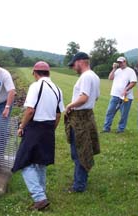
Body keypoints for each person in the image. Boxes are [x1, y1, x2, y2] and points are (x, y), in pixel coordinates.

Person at [12, 61, 64, 210]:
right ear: (48, 73)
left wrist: (22, 126)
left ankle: (39, 197)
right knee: (40, 162)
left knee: (24, 162)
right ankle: (42, 193)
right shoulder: (57, 89)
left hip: (35, 127)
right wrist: (51, 129)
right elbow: (59, 113)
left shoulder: (36, 86)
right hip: (49, 127)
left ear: (35, 73)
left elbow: (30, 110)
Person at [65, 52, 100, 192]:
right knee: (85, 149)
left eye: (74, 64)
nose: (73, 67)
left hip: (79, 118)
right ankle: (82, 179)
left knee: (79, 152)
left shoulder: (85, 77)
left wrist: (70, 106)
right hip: (88, 116)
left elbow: (84, 98)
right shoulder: (95, 76)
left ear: (80, 62)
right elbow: (95, 97)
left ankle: (79, 185)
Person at [102, 56, 137, 133]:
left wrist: (125, 90)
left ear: (125, 62)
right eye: (118, 62)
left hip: (126, 96)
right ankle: (106, 128)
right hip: (115, 95)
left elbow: (133, 82)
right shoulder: (117, 71)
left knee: (123, 114)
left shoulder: (130, 71)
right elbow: (110, 78)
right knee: (110, 111)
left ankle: (120, 129)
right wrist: (114, 68)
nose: (120, 64)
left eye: (121, 62)